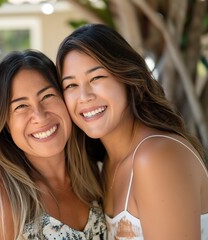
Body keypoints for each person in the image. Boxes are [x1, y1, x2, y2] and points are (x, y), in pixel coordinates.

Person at [56, 23, 208, 239]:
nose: (84, 96)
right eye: (71, 85)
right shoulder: (105, 165)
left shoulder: (155, 156)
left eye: (96, 78)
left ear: (126, 77)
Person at [0, 49, 107, 240]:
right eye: (21, 106)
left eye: (47, 96)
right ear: (6, 124)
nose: (39, 115)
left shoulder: (95, 174)